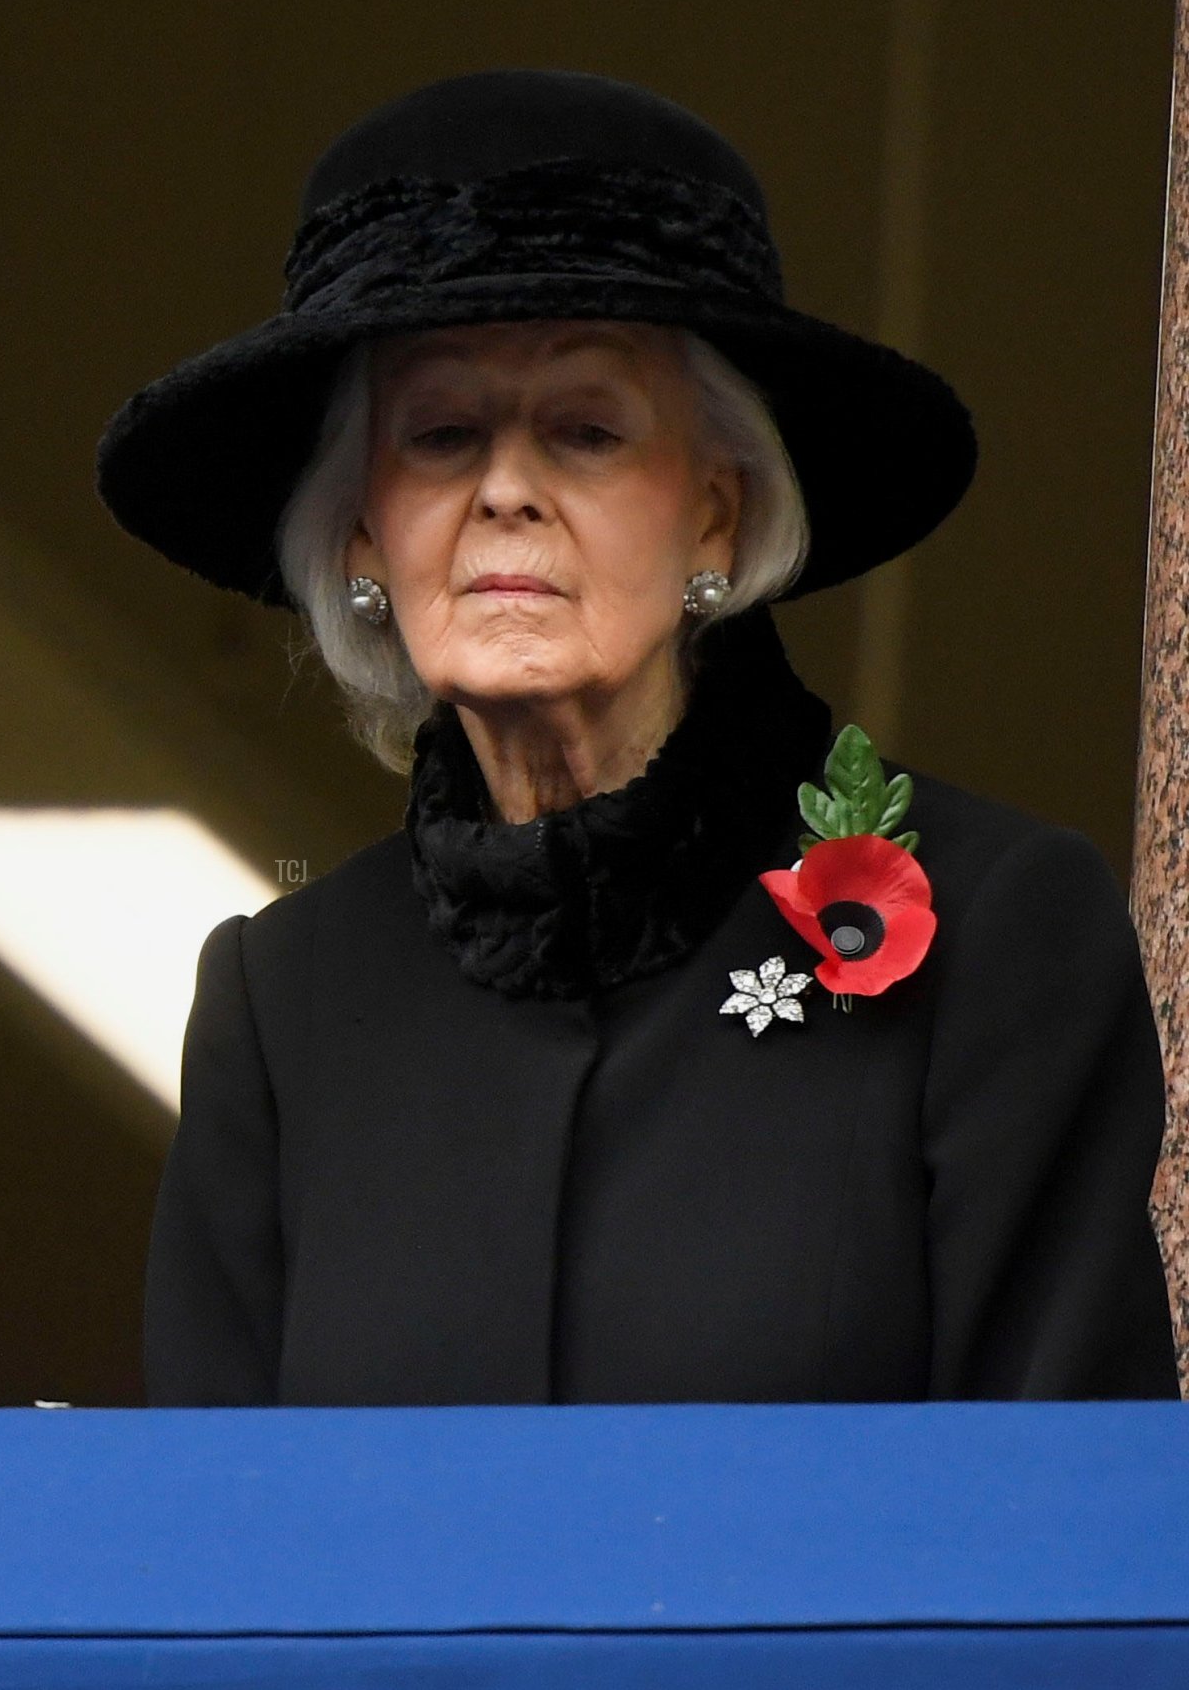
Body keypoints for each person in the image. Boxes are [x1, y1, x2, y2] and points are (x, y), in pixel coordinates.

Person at [96, 68, 1179, 1406]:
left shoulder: (998, 933)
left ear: (716, 518)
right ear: (365, 533)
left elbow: (1058, 1549)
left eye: (585, 430)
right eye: (439, 436)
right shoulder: (284, 1008)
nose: (504, 491)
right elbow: (219, 1566)